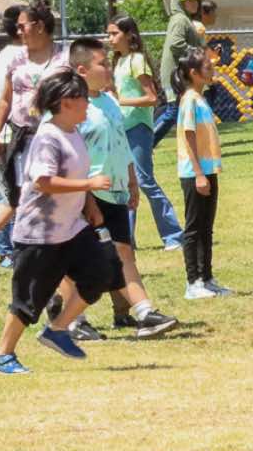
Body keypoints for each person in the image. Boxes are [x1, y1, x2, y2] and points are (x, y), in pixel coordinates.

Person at [0, 71, 123, 373]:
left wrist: (90, 204)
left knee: (101, 273)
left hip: (71, 229)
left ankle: (58, 330)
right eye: (83, 99)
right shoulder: (48, 137)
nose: (88, 104)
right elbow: (43, 182)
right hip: (39, 233)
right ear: (66, 102)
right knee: (29, 300)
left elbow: (77, 174)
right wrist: (89, 186)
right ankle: (3, 354)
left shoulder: (73, 132)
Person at [74, 40, 178, 339]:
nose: (109, 68)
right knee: (82, 259)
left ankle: (141, 313)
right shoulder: (73, 106)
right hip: (89, 193)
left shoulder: (109, 101)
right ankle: (73, 320)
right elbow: (71, 156)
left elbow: (121, 144)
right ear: (82, 70)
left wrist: (132, 180)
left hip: (116, 190)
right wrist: (85, 197)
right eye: (102, 64)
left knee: (123, 253)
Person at [0, 0, 65, 261]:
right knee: (23, 196)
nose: (18, 31)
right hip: (24, 138)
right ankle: (29, 252)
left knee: (53, 197)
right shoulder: (16, 59)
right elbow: (5, 101)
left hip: (57, 139)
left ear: (39, 26)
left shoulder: (64, 58)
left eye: (22, 26)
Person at [108, 17, 182, 251]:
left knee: (144, 181)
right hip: (121, 129)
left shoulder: (137, 60)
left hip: (138, 128)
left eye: (114, 34)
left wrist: (121, 100)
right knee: (125, 183)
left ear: (129, 34)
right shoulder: (118, 61)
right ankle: (126, 239)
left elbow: (151, 98)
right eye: (109, 34)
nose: (110, 39)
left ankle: (174, 236)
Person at [171, 49, 228, 297]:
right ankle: (193, 282)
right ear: (193, 73)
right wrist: (198, 174)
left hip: (207, 170)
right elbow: (189, 136)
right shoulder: (189, 100)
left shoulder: (200, 98)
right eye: (207, 66)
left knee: (207, 227)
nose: (212, 69)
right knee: (194, 227)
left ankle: (207, 278)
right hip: (195, 172)